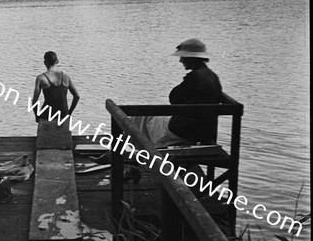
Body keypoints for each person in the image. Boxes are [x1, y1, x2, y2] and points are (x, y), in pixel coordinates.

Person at [91, 38, 222, 164]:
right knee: (144, 118)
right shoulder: (211, 76)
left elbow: (174, 98)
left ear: (191, 59)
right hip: (203, 129)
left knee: (137, 119)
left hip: (184, 130)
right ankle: (122, 155)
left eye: (183, 57)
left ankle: (117, 155)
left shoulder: (194, 77)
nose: (180, 60)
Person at [32, 51, 80, 123]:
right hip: (63, 117)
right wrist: (69, 114)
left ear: (45, 63)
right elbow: (77, 96)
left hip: (46, 116)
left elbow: (34, 101)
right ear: (57, 61)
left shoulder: (41, 78)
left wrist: (37, 116)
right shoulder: (66, 77)